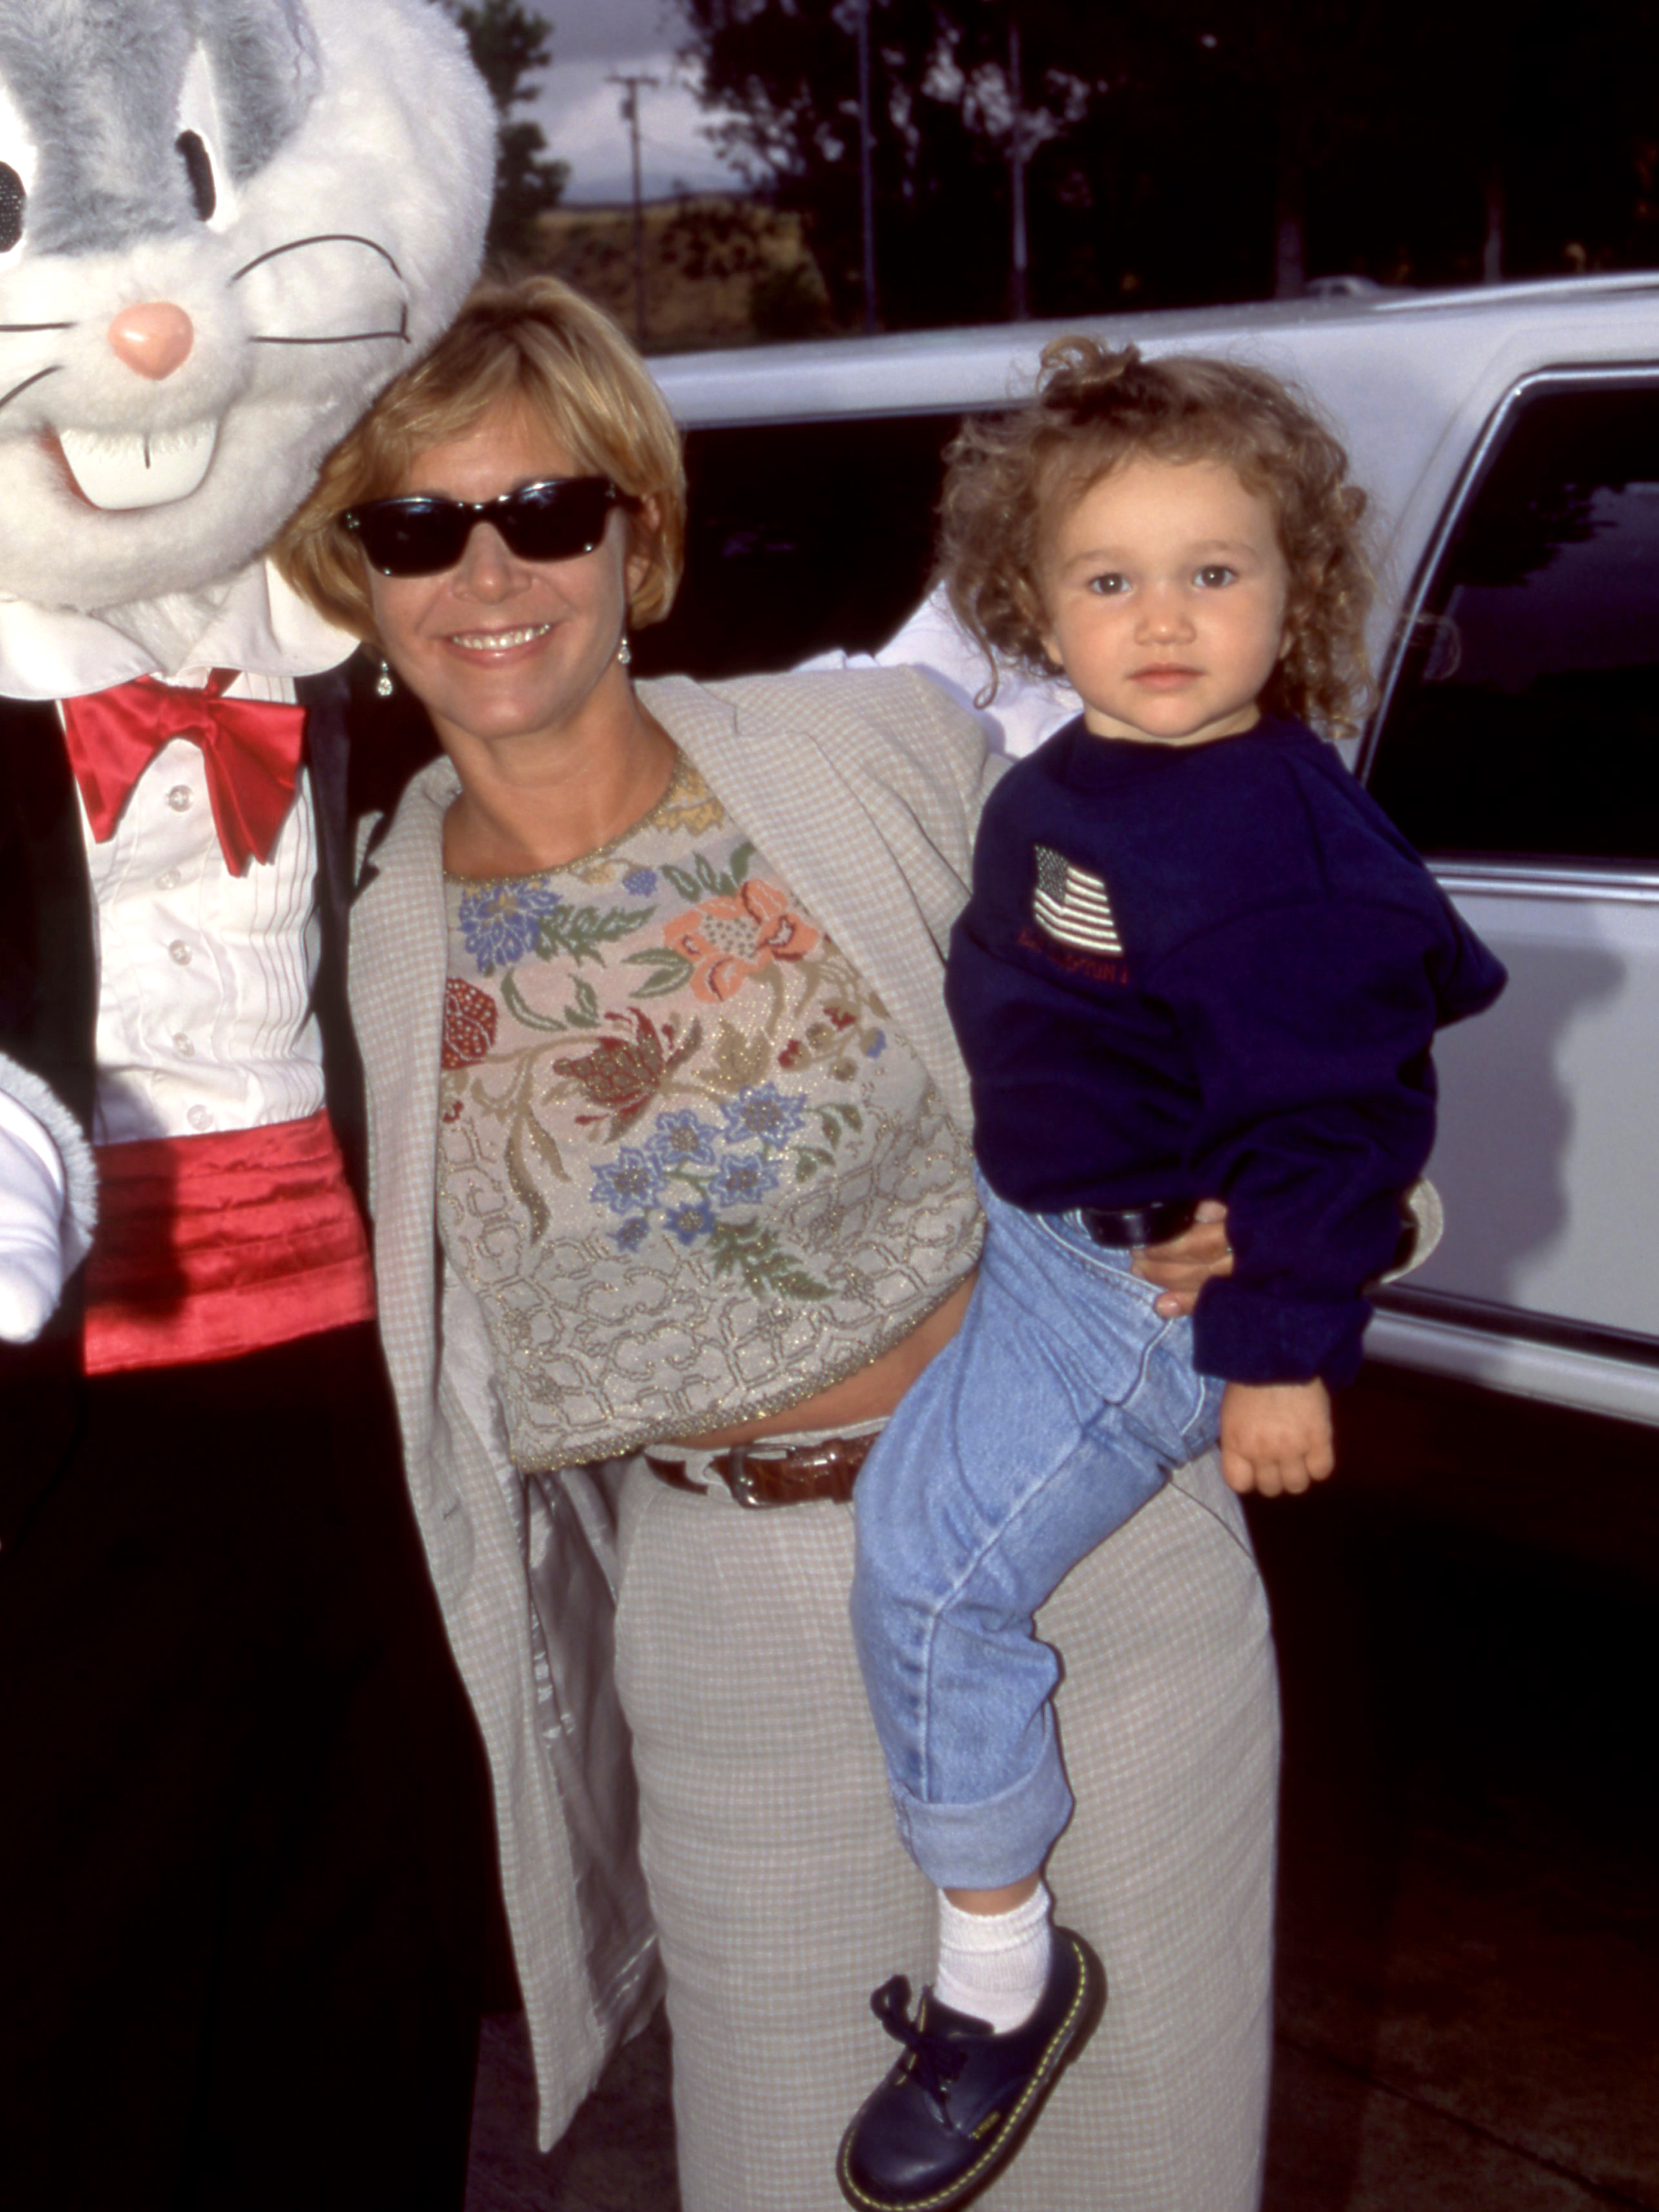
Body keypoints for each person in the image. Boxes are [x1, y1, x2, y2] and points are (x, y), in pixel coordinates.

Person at [274, 280, 1280, 2212]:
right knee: (798, 2176)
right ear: (356, 578)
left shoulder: (866, 757)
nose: (488, 572)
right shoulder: (365, 943)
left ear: (634, 540)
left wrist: (1298, 1204)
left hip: (1086, 1568)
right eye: (415, 525)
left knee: (1141, 2170)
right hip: (735, 1623)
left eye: (547, 510)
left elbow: (1221, 960)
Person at [835, 337, 1505, 2212]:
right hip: (1045, 1244)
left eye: (1214, 572)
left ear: (1297, 591)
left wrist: (1277, 1351)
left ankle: (997, 1985)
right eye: (1107, 578)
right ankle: (980, 1929)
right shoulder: (1089, 771)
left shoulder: (1272, 848)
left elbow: (1332, 1125)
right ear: (1022, 603)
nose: (1160, 618)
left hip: (1157, 1304)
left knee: (930, 1586)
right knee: (904, 1536)